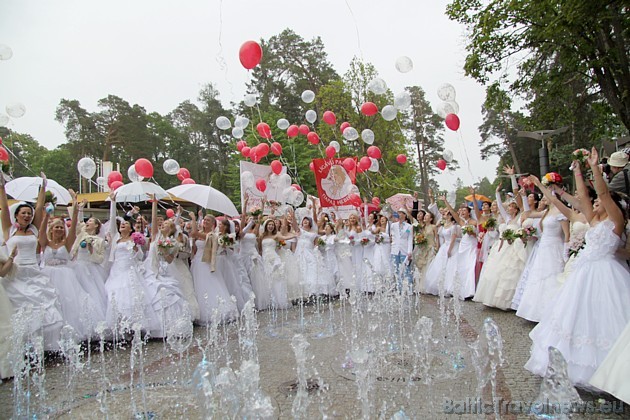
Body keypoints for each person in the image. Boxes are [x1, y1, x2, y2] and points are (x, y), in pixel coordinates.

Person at [525, 148, 630, 387]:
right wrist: (578, 173)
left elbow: (602, 193)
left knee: (606, 319)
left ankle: (611, 372)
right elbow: (583, 197)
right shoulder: (593, 219)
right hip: (584, 273)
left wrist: (594, 166)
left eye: (600, 201)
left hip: (606, 273)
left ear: (613, 205)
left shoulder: (615, 221)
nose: (594, 202)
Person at [0, 173, 63, 351]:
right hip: (15, 274)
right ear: (17, 216)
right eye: (24, 213)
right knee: (17, 308)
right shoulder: (9, 230)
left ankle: (39, 347)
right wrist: (2, 187)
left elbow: (39, 205)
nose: (27, 216)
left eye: (29, 213)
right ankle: (19, 347)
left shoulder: (34, 229)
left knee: (42, 307)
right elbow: (4, 207)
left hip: (34, 272)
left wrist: (43, 187)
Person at [40, 190, 103, 340]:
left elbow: (74, 225)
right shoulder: (45, 243)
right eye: (56, 227)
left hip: (64, 276)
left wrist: (75, 206)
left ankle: (68, 335)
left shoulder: (66, 243)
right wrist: (46, 215)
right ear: (51, 229)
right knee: (51, 304)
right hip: (47, 274)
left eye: (61, 227)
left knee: (67, 304)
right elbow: (41, 231)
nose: (59, 229)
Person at [189, 212, 237, 324]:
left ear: (213, 224)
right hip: (197, 261)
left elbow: (194, 233)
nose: (205, 221)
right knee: (198, 285)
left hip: (205, 263)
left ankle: (215, 311)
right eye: (204, 220)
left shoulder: (211, 235)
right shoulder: (202, 233)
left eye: (208, 221)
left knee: (208, 284)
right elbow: (194, 237)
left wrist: (193, 218)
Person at [440, 192, 478, 299]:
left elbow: (478, 234)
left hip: (471, 245)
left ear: (469, 213)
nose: (462, 212)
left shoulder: (474, 222)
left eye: (465, 211)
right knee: (461, 267)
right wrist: (445, 201)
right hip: (463, 246)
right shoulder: (461, 222)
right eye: (462, 211)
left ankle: (470, 290)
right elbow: (452, 211)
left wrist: (472, 232)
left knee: (469, 267)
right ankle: (460, 289)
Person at [390, 208, 414, 291]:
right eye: (398, 213)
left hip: (404, 249)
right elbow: (392, 236)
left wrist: (409, 251)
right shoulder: (393, 225)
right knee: (396, 268)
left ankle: (409, 287)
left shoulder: (409, 227)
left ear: (404, 215)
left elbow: (410, 239)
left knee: (406, 268)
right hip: (395, 249)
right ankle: (398, 287)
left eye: (401, 213)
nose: (399, 214)